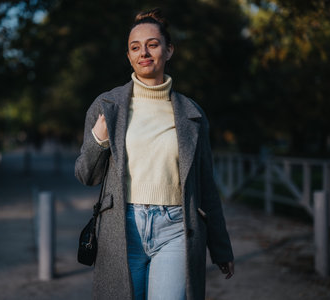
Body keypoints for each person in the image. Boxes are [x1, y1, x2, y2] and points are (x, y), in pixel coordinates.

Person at [75, 8, 234, 300]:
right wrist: (99, 140)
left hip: (177, 228)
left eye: (153, 44)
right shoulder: (107, 106)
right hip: (122, 229)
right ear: (128, 56)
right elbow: (86, 175)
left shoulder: (192, 113)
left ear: (169, 50)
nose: (143, 53)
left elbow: (206, 185)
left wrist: (221, 247)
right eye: (135, 47)